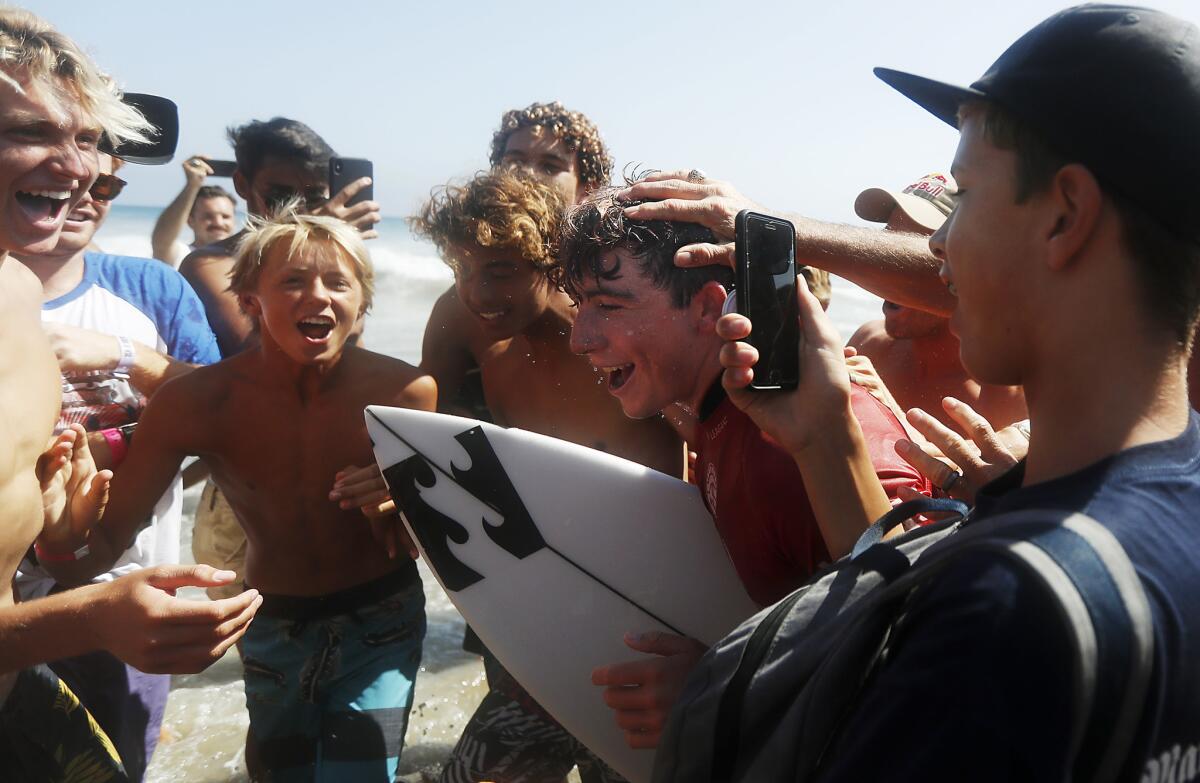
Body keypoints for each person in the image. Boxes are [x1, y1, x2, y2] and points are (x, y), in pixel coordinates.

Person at [677, 5, 1200, 779]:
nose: (938, 245)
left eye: (964, 196)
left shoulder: (1011, 608)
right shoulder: (1165, 499)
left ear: (1066, 214)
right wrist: (826, 434)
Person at [38, 208, 436, 782]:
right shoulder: (196, 404)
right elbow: (99, 551)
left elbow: (447, 531)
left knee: (361, 772)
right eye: (293, 280)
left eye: (338, 282)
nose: (317, 296)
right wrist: (60, 538)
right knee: (280, 771)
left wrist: (407, 497)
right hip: (272, 619)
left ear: (363, 303)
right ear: (249, 300)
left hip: (384, 613)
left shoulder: (405, 391)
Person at [559, 184, 930, 748]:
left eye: (609, 305)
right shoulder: (719, 411)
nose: (578, 340)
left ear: (708, 307)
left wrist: (721, 687)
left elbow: (928, 661)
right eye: (578, 305)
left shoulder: (804, 442)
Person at [0, 8, 258, 780]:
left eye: (88, 142)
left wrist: (65, 527)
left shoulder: (13, 293)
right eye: (34, 131)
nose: (80, 170)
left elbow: (223, 414)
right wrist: (92, 614)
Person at [401, 170, 682, 783]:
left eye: (500, 271)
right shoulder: (493, 355)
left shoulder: (625, 348)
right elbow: (421, 435)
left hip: (644, 622)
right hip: (547, 616)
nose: (475, 293)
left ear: (549, 260)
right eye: (460, 271)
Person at [13, 146, 221, 781]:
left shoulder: (149, 289)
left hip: (123, 596)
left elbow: (227, 412)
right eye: (66, 179)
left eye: (106, 187)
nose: (82, 195)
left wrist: (124, 357)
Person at [422, 101, 614, 418]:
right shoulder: (463, 306)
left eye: (550, 166)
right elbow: (423, 406)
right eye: (514, 162)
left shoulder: (616, 291)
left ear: (587, 190)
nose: (526, 176)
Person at [847, 172, 1026, 429]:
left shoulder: (1002, 390)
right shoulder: (869, 344)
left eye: (907, 253)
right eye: (885, 247)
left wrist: (884, 410)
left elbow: (980, 467)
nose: (887, 269)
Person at [151, 154, 238, 266]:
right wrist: (192, 184)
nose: (218, 223)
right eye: (208, 217)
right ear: (190, 221)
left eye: (225, 216)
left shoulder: (245, 258)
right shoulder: (182, 255)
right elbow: (161, 242)